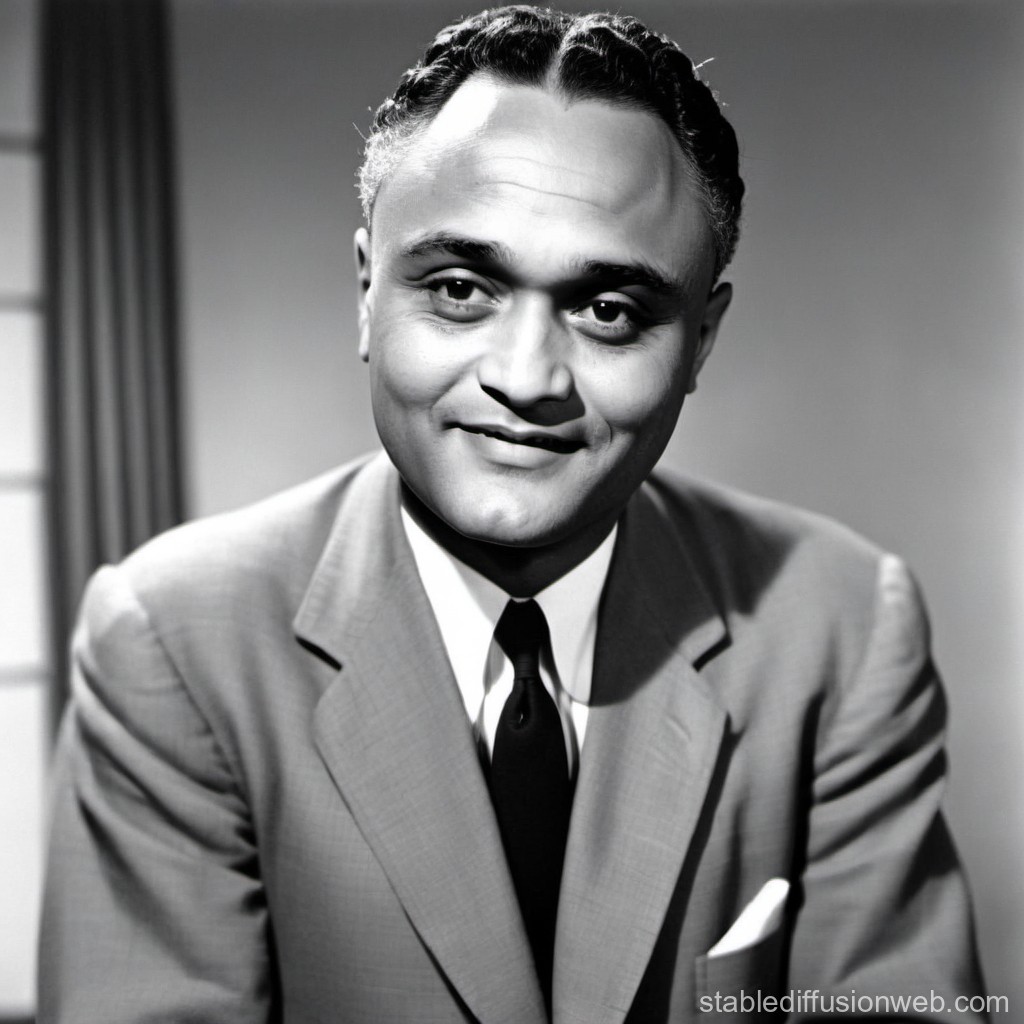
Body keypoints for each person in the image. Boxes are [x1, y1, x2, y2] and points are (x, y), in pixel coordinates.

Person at [38, 6, 987, 1023]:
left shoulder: (839, 628)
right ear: (367, 291)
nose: (526, 378)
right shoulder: (174, 641)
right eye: (458, 289)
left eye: (609, 311)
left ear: (701, 338)